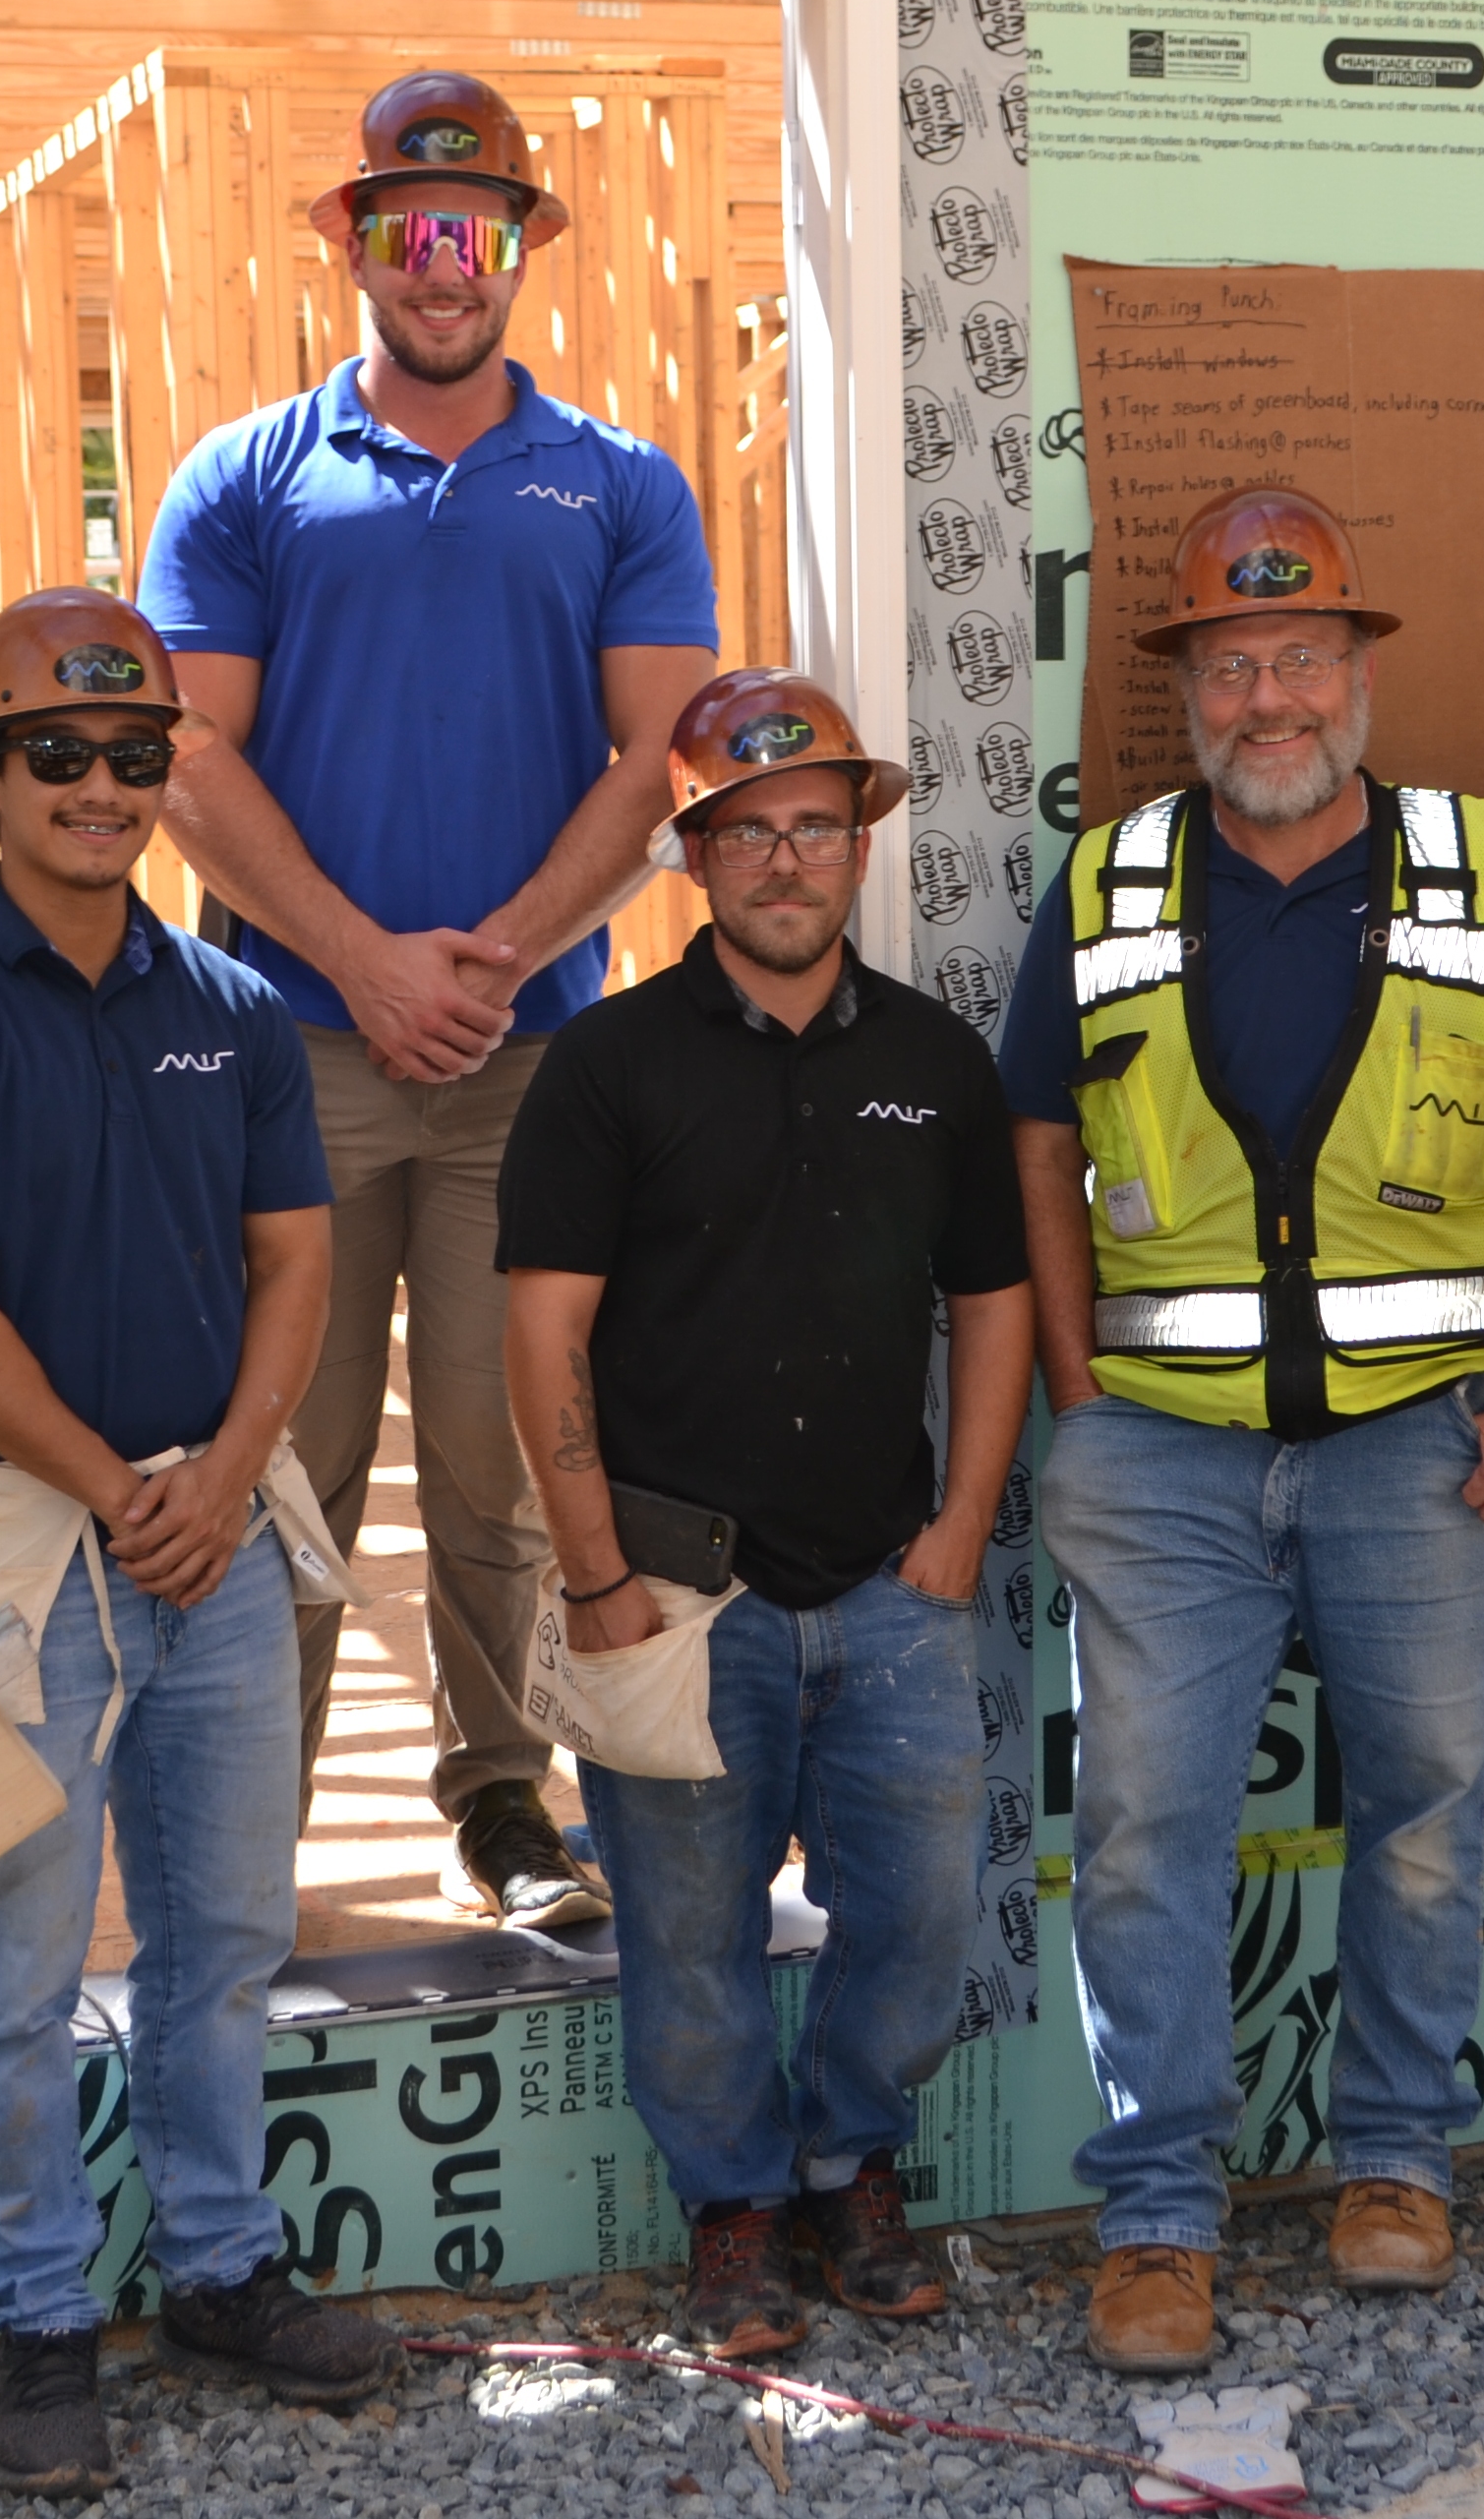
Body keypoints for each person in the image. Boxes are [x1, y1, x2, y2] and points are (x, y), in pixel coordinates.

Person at [999, 487, 1484, 2374]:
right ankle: (1157, 2216)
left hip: (1424, 1451)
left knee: (1428, 1823)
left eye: (1298, 657)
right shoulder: (1110, 881)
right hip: (1164, 1457)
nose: (1266, 696)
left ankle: (1395, 2162)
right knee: (1141, 1832)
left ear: (1357, 671)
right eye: (1228, 663)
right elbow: (1039, 1143)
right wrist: (1071, 1393)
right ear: (1187, 689)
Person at [0, 588, 396, 2497]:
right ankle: (43, 2325)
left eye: (130, 752)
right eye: (51, 751)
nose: (94, 783)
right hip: (11, 1543)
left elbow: (295, 1264)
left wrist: (222, 1476)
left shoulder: (234, 1013)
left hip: (207, 1531)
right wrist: (118, 1485)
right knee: (17, 1961)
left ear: (167, 776)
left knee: (224, 1932)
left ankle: (222, 2269)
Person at [142, 71, 722, 1931]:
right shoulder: (243, 479)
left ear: (523, 250)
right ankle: (250, 1836)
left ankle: (501, 1804)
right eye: (409, 226)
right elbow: (187, 759)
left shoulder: (621, 485)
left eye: (477, 228)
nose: (444, 264)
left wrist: (479, 959)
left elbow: (661, 756)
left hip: (523, 1054)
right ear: (356, 244)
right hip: (286, 1057)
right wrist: (365, 959)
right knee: (279, 1458)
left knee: (497, 1451)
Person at [495, 669, 1037, 2357]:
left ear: (860, 844)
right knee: (691, 1936)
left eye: (816, 827)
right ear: (696, 858)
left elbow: (999, 1305)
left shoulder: (938, 1064)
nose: (787, 862)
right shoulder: (604, 1066)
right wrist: (596, 1580)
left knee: (925, 1919)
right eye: (749, 833)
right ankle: (733, 2209)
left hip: (890, 1588)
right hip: (675, 1597)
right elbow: (542, 1330)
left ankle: (851, 2162)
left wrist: (963, 1525)